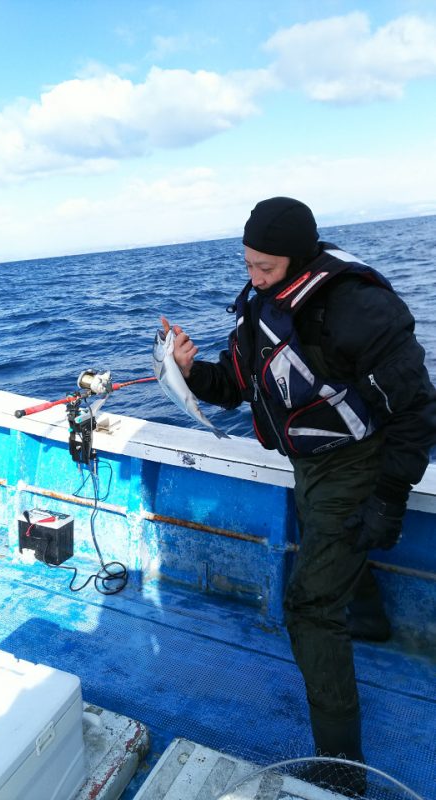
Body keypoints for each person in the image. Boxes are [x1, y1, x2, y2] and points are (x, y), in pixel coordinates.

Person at [165, 197, 436, 796]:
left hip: (357, 463)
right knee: (328, 548)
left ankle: (342, 769)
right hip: (308, 464)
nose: (254, 279)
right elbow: (238, 386)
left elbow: (419, 408)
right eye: (248, 265)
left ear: (301, 255)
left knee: (310, 608)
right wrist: (188, 371)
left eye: (265, 267)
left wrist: (390, 495)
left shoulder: (357, 307)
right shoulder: (267, 303)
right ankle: (365, 624)